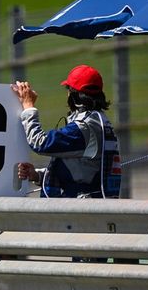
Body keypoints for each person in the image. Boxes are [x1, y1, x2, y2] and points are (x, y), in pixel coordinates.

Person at [12, 64, 122, 198]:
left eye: (68, 90)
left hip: (80, 207)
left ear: (74, 95)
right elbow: (83, 171)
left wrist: (28, 107)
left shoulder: (85, 127)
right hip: (91, 203)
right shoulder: (99, 121)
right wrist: (37, 175)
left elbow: (40, 143)